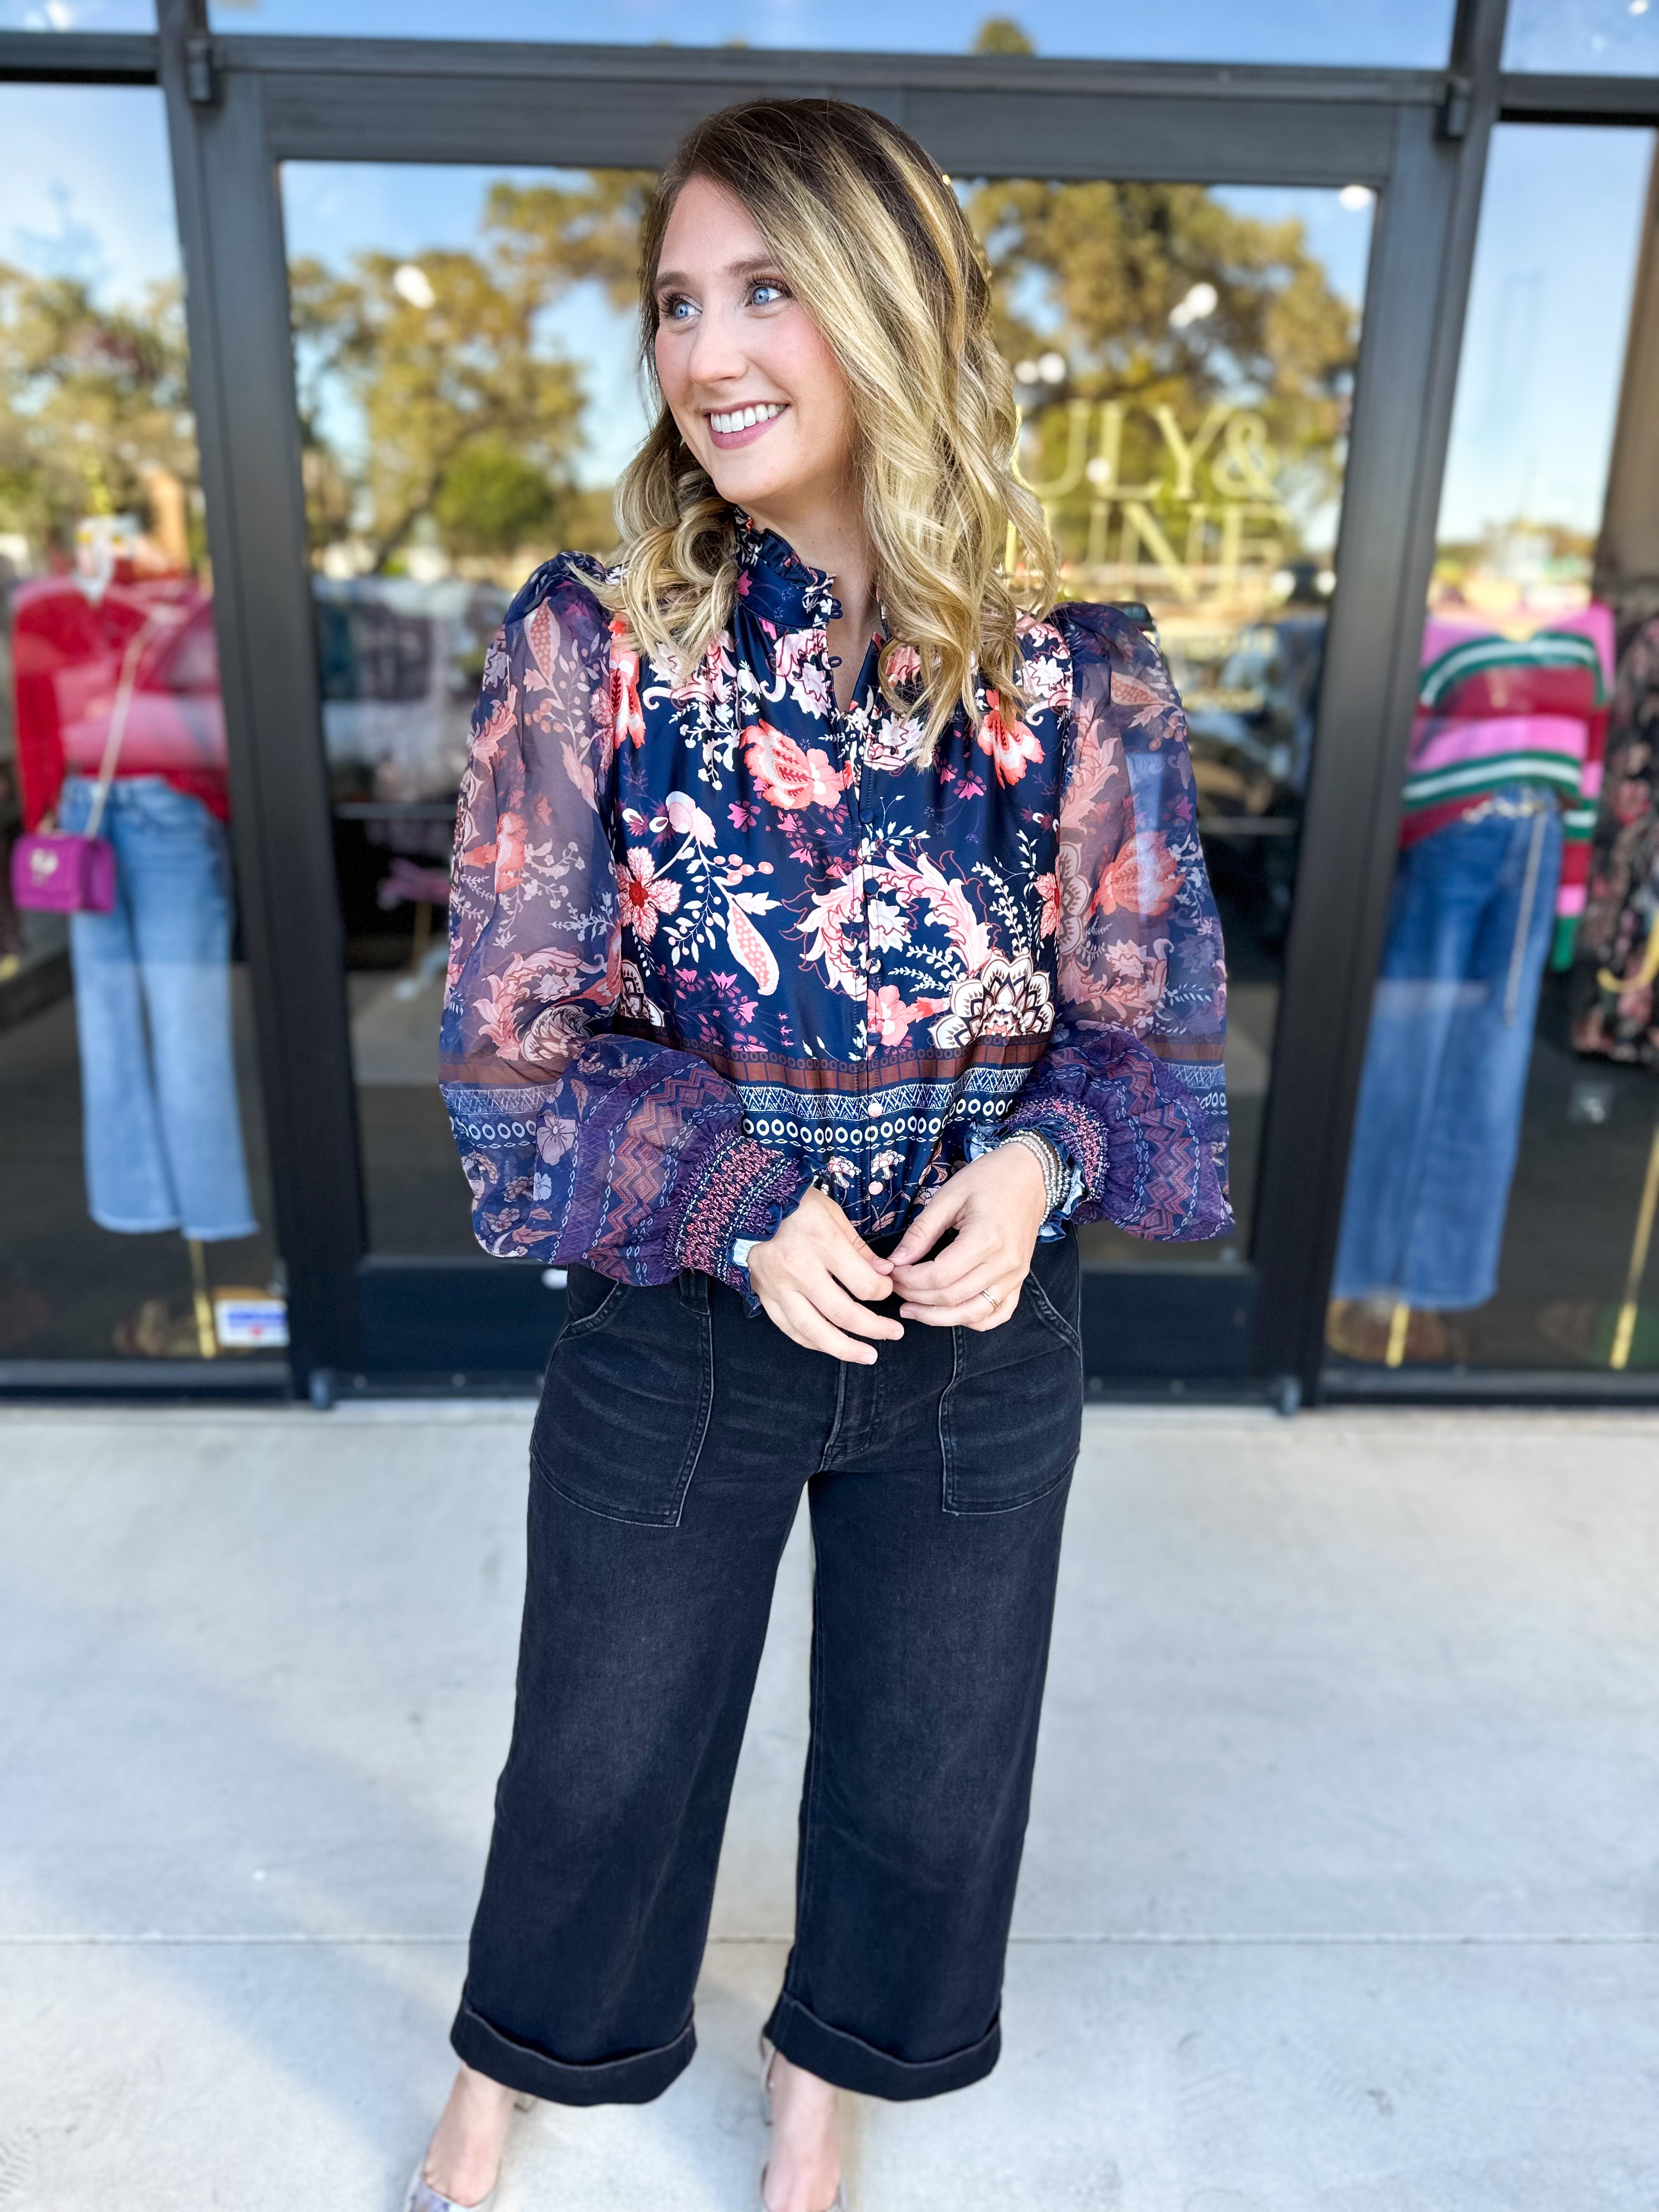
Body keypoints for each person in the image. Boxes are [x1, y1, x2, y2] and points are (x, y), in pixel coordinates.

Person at [411, 96, 1231, 2212]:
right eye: (680, 302)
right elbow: (511, 1030)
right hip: (684, 1324)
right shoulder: (595, 647)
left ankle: (823, 2084)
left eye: (765, 288)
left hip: (977, 1332)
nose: (707, 349)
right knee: (597, 1762)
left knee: (931, 1780)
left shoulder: (1081, 671)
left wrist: (1043, 1166)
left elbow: (1139, 1018)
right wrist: (738, 1199)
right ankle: (512, 2072)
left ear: (895, 309)